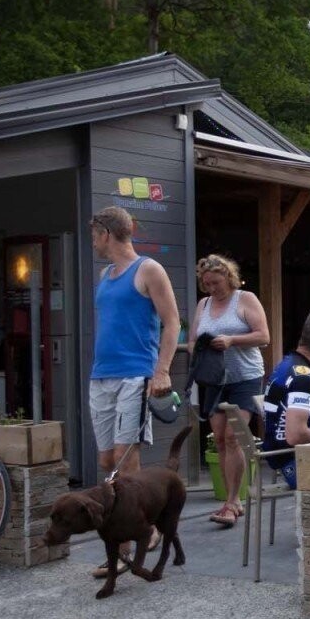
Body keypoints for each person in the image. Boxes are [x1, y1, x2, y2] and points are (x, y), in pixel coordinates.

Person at [88, 205, 180, 576]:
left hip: (135, 375)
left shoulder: (148, 270)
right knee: (106, 460)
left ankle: (127, 541)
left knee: (125, 460)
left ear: (106, 234)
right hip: (101, 376)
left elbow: (172, 322)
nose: (93, 243)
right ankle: (144, 527)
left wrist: (162, 370)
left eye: (94, 236)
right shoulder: (105, 274)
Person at [189, 254, 270, 526]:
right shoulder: (203, 304)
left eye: (216, 282)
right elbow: (193, 340)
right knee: (220, 439)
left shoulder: (245, 299)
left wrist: (232, 340)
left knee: (234, 436)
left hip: (245, 377)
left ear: (228, 277)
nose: (212, 288)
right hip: (215, 380)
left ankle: (234, 500)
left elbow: (264, 336)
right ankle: (230, 500)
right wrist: (199, 351)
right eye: (207, 284)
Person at [261, 310, 310, 489]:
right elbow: (296, 435)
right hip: (298, 462)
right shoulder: (303, 378)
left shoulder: (288, 363)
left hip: (296, 455)